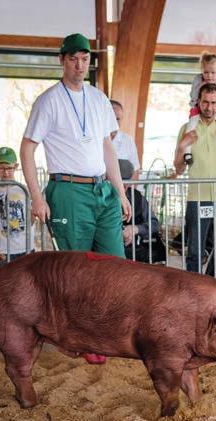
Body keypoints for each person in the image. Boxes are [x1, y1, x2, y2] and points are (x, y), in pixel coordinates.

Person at [20, 33, 130, 260]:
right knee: (75, 267)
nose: (80, 65)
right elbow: (27, 148)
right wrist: (37, 198)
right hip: (68, 191)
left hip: (102, 189)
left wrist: (120, 192)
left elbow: (106, 146)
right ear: (62, 60)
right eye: (73, 59)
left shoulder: (99, 98)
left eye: (84, 59)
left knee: (116, 265)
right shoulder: (48, 100)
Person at [174, 82, 216, 287]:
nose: (209, 107)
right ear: (199, 102)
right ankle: (194, 296)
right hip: (198, 198)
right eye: (205, 102)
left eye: (214, 103)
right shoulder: (187, 129)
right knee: (195, 251)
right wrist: (182, 145)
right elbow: (178, 169)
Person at [0, 147, 35, 275]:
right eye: (1, 168)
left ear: (16, 166)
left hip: (25, 246)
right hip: (4, 248)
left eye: (9, 168)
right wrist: (0, 236)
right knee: (7, 281)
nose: (6, 172)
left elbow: (31, 217)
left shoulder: (24, 189)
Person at [183, 52, 216, 166]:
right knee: (191, 124)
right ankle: (187, 152)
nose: (209, 76)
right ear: (201, 70)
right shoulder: (198, 78)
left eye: (213, 72)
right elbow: (193, 95)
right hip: (198, 107)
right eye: (206, 72)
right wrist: (202, 85)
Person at [118, 160, 162, 263]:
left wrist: (135, 229)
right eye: (120, 182)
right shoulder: (102, 197)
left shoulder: (137, 197)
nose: (124, 187)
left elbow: (155, 224)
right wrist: (119, 234)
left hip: (135, 249)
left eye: (126, 183)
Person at [110, 100, 140, 181]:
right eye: (111, 118)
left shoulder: (127, 140)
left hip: (123, 189)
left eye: (118, 119)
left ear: (122, 119)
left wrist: (128, 190)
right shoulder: (95, 139)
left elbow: (135, 169)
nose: (115, 122)